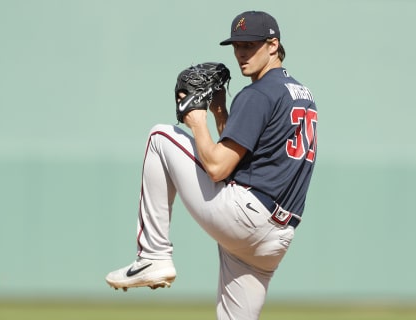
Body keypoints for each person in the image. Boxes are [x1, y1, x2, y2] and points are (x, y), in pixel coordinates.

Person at [105, 10, 318, 320]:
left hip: (246, 217)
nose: (242, 54)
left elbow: (219, 168)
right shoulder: (303, 95)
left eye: (251, 45)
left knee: (160, 137)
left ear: (273, 45)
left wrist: (198, 121)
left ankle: (153, 255)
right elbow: (245, 155)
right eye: (237, 45)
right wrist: (219, 112)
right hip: (277, 238)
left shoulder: (257, 93)